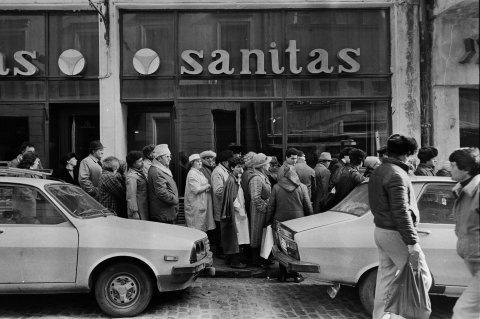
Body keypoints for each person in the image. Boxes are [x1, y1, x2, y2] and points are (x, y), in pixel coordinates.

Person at [368, 134, 431, 319]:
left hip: (381, 230)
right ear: (408, 153)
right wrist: (412, 242)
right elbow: (401, 212)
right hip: (396, 234)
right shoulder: (396, 174)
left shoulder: (380, 170)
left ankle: (380, 316)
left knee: (386, 279)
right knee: (421, 278)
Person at [266, 165, 312, 281]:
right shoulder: (302, 187)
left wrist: (267, 221)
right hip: (298, 221)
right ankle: (296, 274)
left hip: (280, 221)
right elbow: (308, 206)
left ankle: (282, 274)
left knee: (281, 247)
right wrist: (310, 219)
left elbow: (271, 207)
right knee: (296, 248)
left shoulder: (276, 187)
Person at [449, 147, 480, 319]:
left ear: (466, 169)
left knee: (464, 311)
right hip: (474, 261)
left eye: (453, 165)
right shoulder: (463, 189)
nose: (450, 169)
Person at [220, 156, 249, 268]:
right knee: (236, 236)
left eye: (242, 167)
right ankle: (234, 261)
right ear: (232, 168)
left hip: (239, 212)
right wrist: (239, 209)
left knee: (238, 236)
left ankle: (233, 259)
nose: (241, 170)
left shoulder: (236, 178)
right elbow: (232, 199)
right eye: (238, 167)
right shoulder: (231, 180)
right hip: (236, 214)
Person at [248, 153, 272, 266]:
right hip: (258, 211)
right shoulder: (256, 178)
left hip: (262, 209)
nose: (269, 166)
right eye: (267, 164)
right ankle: (255, 260)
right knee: (256, 235)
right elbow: (255, 198)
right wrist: (265, 209)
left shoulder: (262, 175)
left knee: (261, 234)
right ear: (262, 166)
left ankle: (261, 259)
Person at [147, 144, 179, 224]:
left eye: (170, 156)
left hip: (165, 212)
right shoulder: (157, 171)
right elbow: (162, 192)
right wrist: (175, 200)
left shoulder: (161, 169)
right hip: (163, 214)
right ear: (160, 158)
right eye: (167, 157)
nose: (170, 159)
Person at [184, 154, 215, 232]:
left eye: (200, 161)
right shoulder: (192, 174)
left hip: (201, 203)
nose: (200, 163)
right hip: (195, 205)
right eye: (197, 162)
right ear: (192, 163)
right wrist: (207, 186)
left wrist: (205, 188)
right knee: (196, 228)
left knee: (202, 226)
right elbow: (196, 189)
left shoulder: (199, 172)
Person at [211, 150, 234, 255]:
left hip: (225, 206)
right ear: (225, 162)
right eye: (230, 161)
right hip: (221, 206)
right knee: (220, 231)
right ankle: (220, 252)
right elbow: (218, 191)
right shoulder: (218, 172)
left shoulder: (224, 170)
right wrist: (231, 196)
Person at [125, 151, 148, 220]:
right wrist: (134, 212)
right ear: (133, 163)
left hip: (143, 207)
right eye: (140, 161)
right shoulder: (131, 176)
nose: (143, 163)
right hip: (138, 210)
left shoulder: (139, 172)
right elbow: (131, 196)